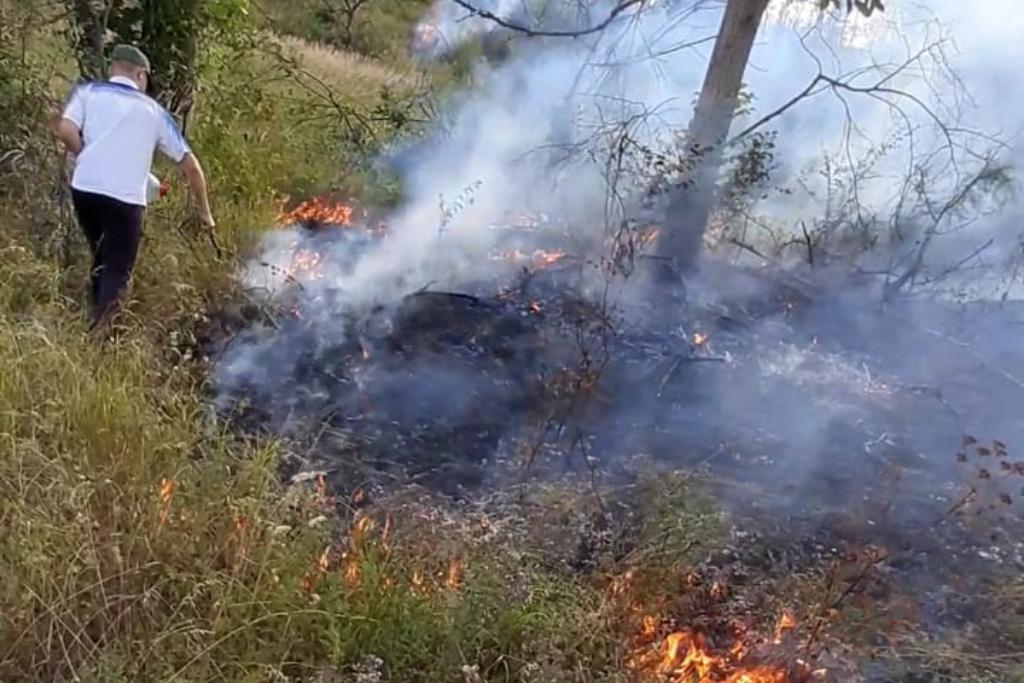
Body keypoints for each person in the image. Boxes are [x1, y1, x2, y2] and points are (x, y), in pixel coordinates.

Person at [54, 44, 215, 329]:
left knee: (102, 253)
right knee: (117, 269)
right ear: (140, 75)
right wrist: (205, 213)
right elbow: (191, 166)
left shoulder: (88, 93)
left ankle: (94, 312)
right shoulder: (153, 111)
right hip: (124, 200)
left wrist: (85, 156)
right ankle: (99, 340)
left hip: (84, 191)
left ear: (113, 68)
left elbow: (66, 130)